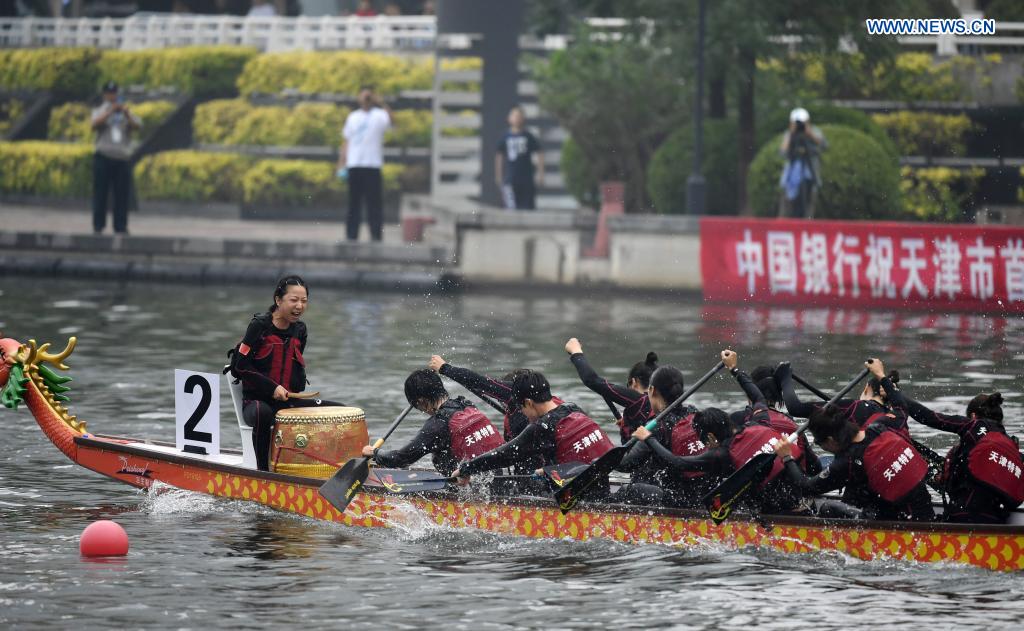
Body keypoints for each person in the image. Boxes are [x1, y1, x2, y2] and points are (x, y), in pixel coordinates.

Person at [635, 350, 806, 514]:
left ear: (711, 437)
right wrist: (734, 368)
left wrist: (648, 438)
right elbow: (758, 398)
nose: (707, 447)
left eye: (705, 442)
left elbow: (678, 462)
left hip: (773, 506)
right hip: (800, 492)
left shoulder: (722, 454)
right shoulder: (758, 423)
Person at [773, 359, 935, 522]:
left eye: (819, 443)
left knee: (828, 508)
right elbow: (901, 406)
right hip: (926, 511)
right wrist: (881, 375)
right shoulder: (881, 425)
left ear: (829, 440)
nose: (821, 447)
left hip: (902, 523)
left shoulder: (847, 462)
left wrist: (786, 456)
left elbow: (808, 487)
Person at [880, 365, 1024, 522]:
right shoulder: (1012, 447)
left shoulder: (973, 426)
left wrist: (894, 393)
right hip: (996, 518)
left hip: (962, 516)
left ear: (973, 416)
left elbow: (928, 417)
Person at [228, 275, 341, 471]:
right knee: (262, 413)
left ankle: (326, 469)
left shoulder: (300, 330)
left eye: (304, 301)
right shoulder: (259, 326)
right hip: (257, 403)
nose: (299, 306)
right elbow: (240, 366)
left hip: (288, 403)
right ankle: (263, 473)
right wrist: (272, 388)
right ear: (278, 300)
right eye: (294, 300)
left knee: (339, 412)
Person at [452, 370, 614, 482]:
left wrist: (467, 469)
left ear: (528, 403)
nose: (522, 413)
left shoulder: (542, 427)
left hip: (572, 500)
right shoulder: (572, 408)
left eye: (521, 408)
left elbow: (504, 455)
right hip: (596, 484)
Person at [429, 355, 562, 474]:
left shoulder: (514, 392)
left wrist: (444, 368)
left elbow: (480, 381)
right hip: (540, 468)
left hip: (539, 475)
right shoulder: (553, 404)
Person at [364, 369, 504, 476]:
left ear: (421, 402)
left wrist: (375, 453)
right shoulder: (466, 404)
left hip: (472, 490)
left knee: (438, 453)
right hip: (497, 477)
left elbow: (402, 458)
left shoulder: (438, 425)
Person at [617, 365, 714, 507]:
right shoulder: (694, 413)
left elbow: (626, 465)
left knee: (619, 486)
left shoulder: (656, 426)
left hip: (676, 500)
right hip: (704, 493)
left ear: (651, 390)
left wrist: (602, 460)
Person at [564, 337, 656, 443]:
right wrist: (629, 423)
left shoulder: (639, 400)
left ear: (634, 382)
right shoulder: (662, 404)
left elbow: (592, 381)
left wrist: (576, 352)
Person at [338, 86, 392, 242]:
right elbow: (346, 141)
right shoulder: (353, 117)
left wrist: (381, 102)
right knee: (353, 203)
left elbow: (393, 122)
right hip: (355, 164)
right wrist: (342, 163)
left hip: (372, 165)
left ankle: (376, 235)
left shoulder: (380, 115)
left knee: (374, 203)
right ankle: (351, 235)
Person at [91, 81, 141, 235]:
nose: (112, 96)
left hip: (122, 158)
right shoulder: (100, 110)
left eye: (114, 93)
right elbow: (93, 124)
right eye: (109, 93)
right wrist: (110, 111)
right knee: (101, 193)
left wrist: (125, 113)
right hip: (104, 156)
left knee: (122, 195)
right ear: (105, 94)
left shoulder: (126, 111)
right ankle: (98, 225)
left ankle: (120, 226)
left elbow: (137, 126)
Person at [777, 107, 826, 219]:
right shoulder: (789, 134)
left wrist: (810, 134)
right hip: (791, 176)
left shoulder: (814, 131)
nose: (800, 126)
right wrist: (790, 133)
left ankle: (807, 228)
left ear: (808, 122)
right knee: (787, 206)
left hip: (810, 174)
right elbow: (782, 152)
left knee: (808, 206)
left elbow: (824, 145)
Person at [495, 106, 543, 210]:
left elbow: (539, 153)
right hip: (510, 179)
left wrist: (540, 173)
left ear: (523, 118)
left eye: (519, 116)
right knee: (510, 208)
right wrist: (498, 175)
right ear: (509, 118)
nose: (517, 118)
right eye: (514, 115)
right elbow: (499, 156)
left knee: (528, 208)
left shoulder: (528, 136)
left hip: (527, 179)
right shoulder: (505, 137)